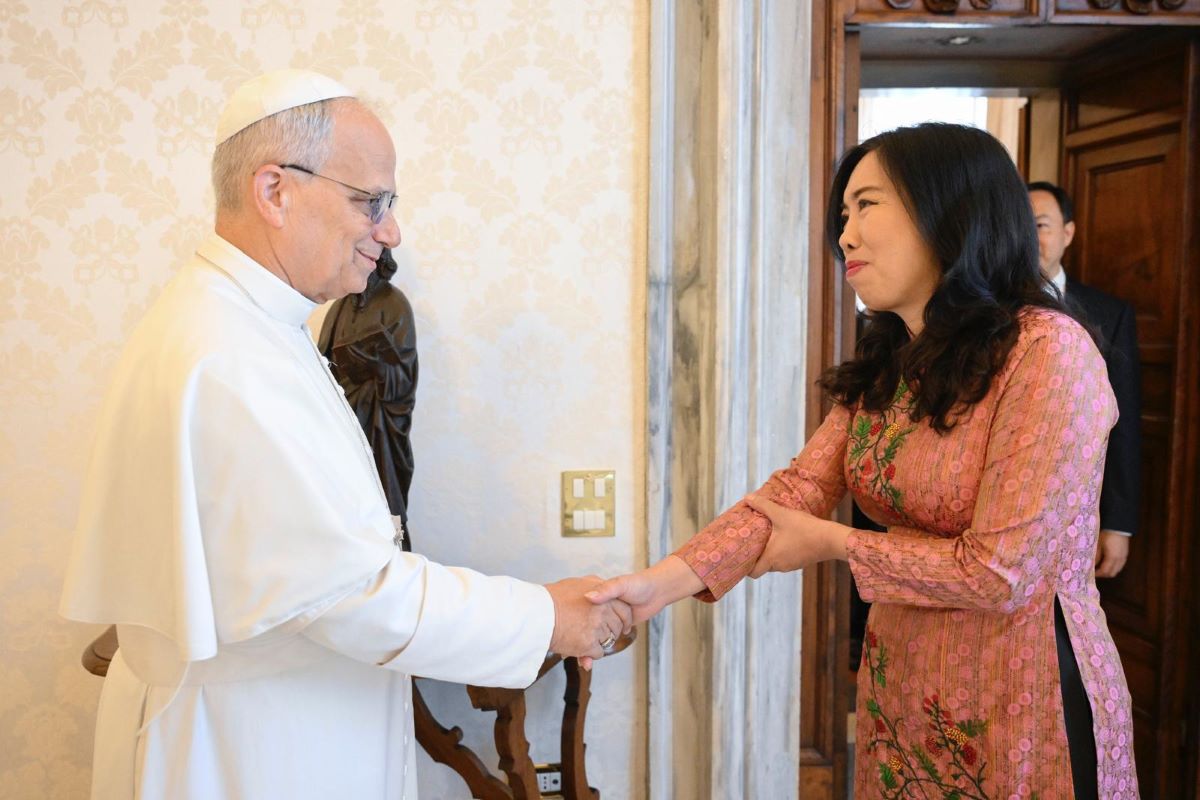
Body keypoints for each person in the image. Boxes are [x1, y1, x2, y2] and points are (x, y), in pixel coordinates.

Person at [59, 69, 629, 800]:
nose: (390, 232)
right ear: (275, 191)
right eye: (371, 201)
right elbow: (352, 594)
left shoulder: (246, 322)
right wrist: (548, 617)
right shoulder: (229, 353)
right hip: (254, 751)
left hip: (277, 726)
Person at [587, 124, 1138, 798]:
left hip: (1022, 695)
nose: (845, 236)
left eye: (868, 205)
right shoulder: (896, 359)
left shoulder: (1047, 352)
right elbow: (795, 491)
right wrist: (655, 587)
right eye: (843, 215)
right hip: (902, 687)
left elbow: (1003, 572)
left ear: (950, 211)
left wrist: (836, 543)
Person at [1028, 181, 1141, 579]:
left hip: (1080, 509)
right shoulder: (988, 308)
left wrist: (1118, 523)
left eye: (1040, 225)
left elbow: (1124, 422)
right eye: (1020, 225)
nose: (1029, 237)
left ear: (1068, 232)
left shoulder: (1110, 314)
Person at [317, 247, 420, 550]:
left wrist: (376, 366)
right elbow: (320, 360)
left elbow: (404, 375)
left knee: (385, 499)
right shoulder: (340, 306)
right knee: (345, 505)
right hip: (343, 421)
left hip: (380, 425)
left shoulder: (394, 304)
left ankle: (391, 555)